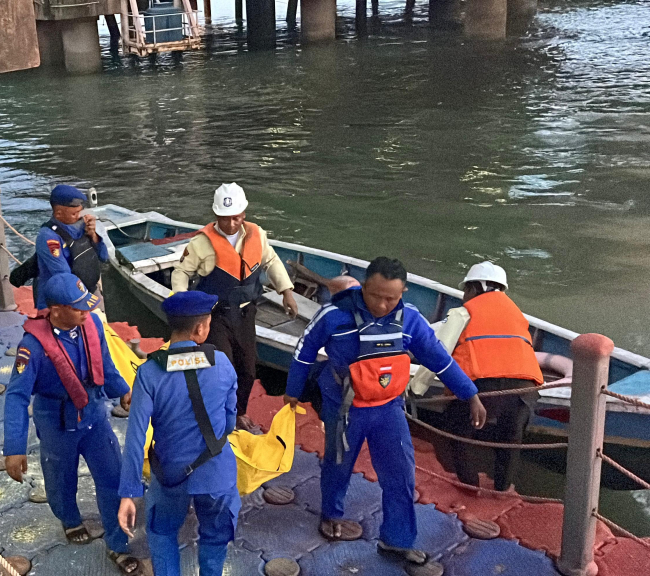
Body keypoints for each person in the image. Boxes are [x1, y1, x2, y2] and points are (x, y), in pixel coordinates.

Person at [284, 257, 486, 576]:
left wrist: (469, 393)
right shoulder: (334, 315)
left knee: (400, 474)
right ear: (363, 287)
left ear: (403, 292)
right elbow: (305, 350)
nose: (381, 304)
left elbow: (438, 358)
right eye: (374, 295)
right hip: (345, 407)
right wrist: (293, 390)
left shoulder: (412, 320)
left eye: (390, 298)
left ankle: (397, 539)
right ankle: (331, 514)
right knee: (338, 464)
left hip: (389, 409)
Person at [2, 273, 139, 574]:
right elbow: (16, 396)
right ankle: (69, 518)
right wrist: (14, 447)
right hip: (56, 422)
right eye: (77, 308)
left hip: (95, 416)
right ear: (55, 310)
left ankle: (117, 544)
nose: (84, 312)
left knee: (113, 478)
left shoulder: (91, 327)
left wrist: (124, 390)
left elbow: (105, 364)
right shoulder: (32, 347)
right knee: (60, 478)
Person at [118, 291, 239, 576]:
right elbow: (230, 423)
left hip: (171, 474)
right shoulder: (222, 363)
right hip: (216, 473)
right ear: (200, 328)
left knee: (161, 532)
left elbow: (135, 437)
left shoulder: (148, 372)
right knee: (215, 536)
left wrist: (129, 493)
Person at [171, 182, 298, 430]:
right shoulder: (201, 243)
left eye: (236, 217)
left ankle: (239, 412)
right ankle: (218, 415)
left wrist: (287, 291)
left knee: (248, 369)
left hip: (246, 313)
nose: (231, 224)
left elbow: (271, 261)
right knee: (222, 367)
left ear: (244, 214)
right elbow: (181, 272)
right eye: (225, 218)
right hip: (215, 315)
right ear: (216, 216)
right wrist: (181, 301)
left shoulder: (256, 235)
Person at [409, 262, 543, 491]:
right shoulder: (516, 315)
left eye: (465, 290)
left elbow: (437, 351)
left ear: (474, 288)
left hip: (480, 385)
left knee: (457, 432)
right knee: (511, 439)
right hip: (525, 388)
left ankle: (468, 484)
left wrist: (416, 388)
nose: (463, 296)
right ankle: (503, 488)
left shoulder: (463, 313)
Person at [34, 184, 109, 310]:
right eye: (75, 213)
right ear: (58, 214)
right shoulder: (48, 237)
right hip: (63, 301)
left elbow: (104, 257)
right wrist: (84, 305)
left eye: (80, 212)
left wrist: (93, 235)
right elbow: (64, 278)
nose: (79, 216)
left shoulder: (82, 225)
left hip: (88, 290)